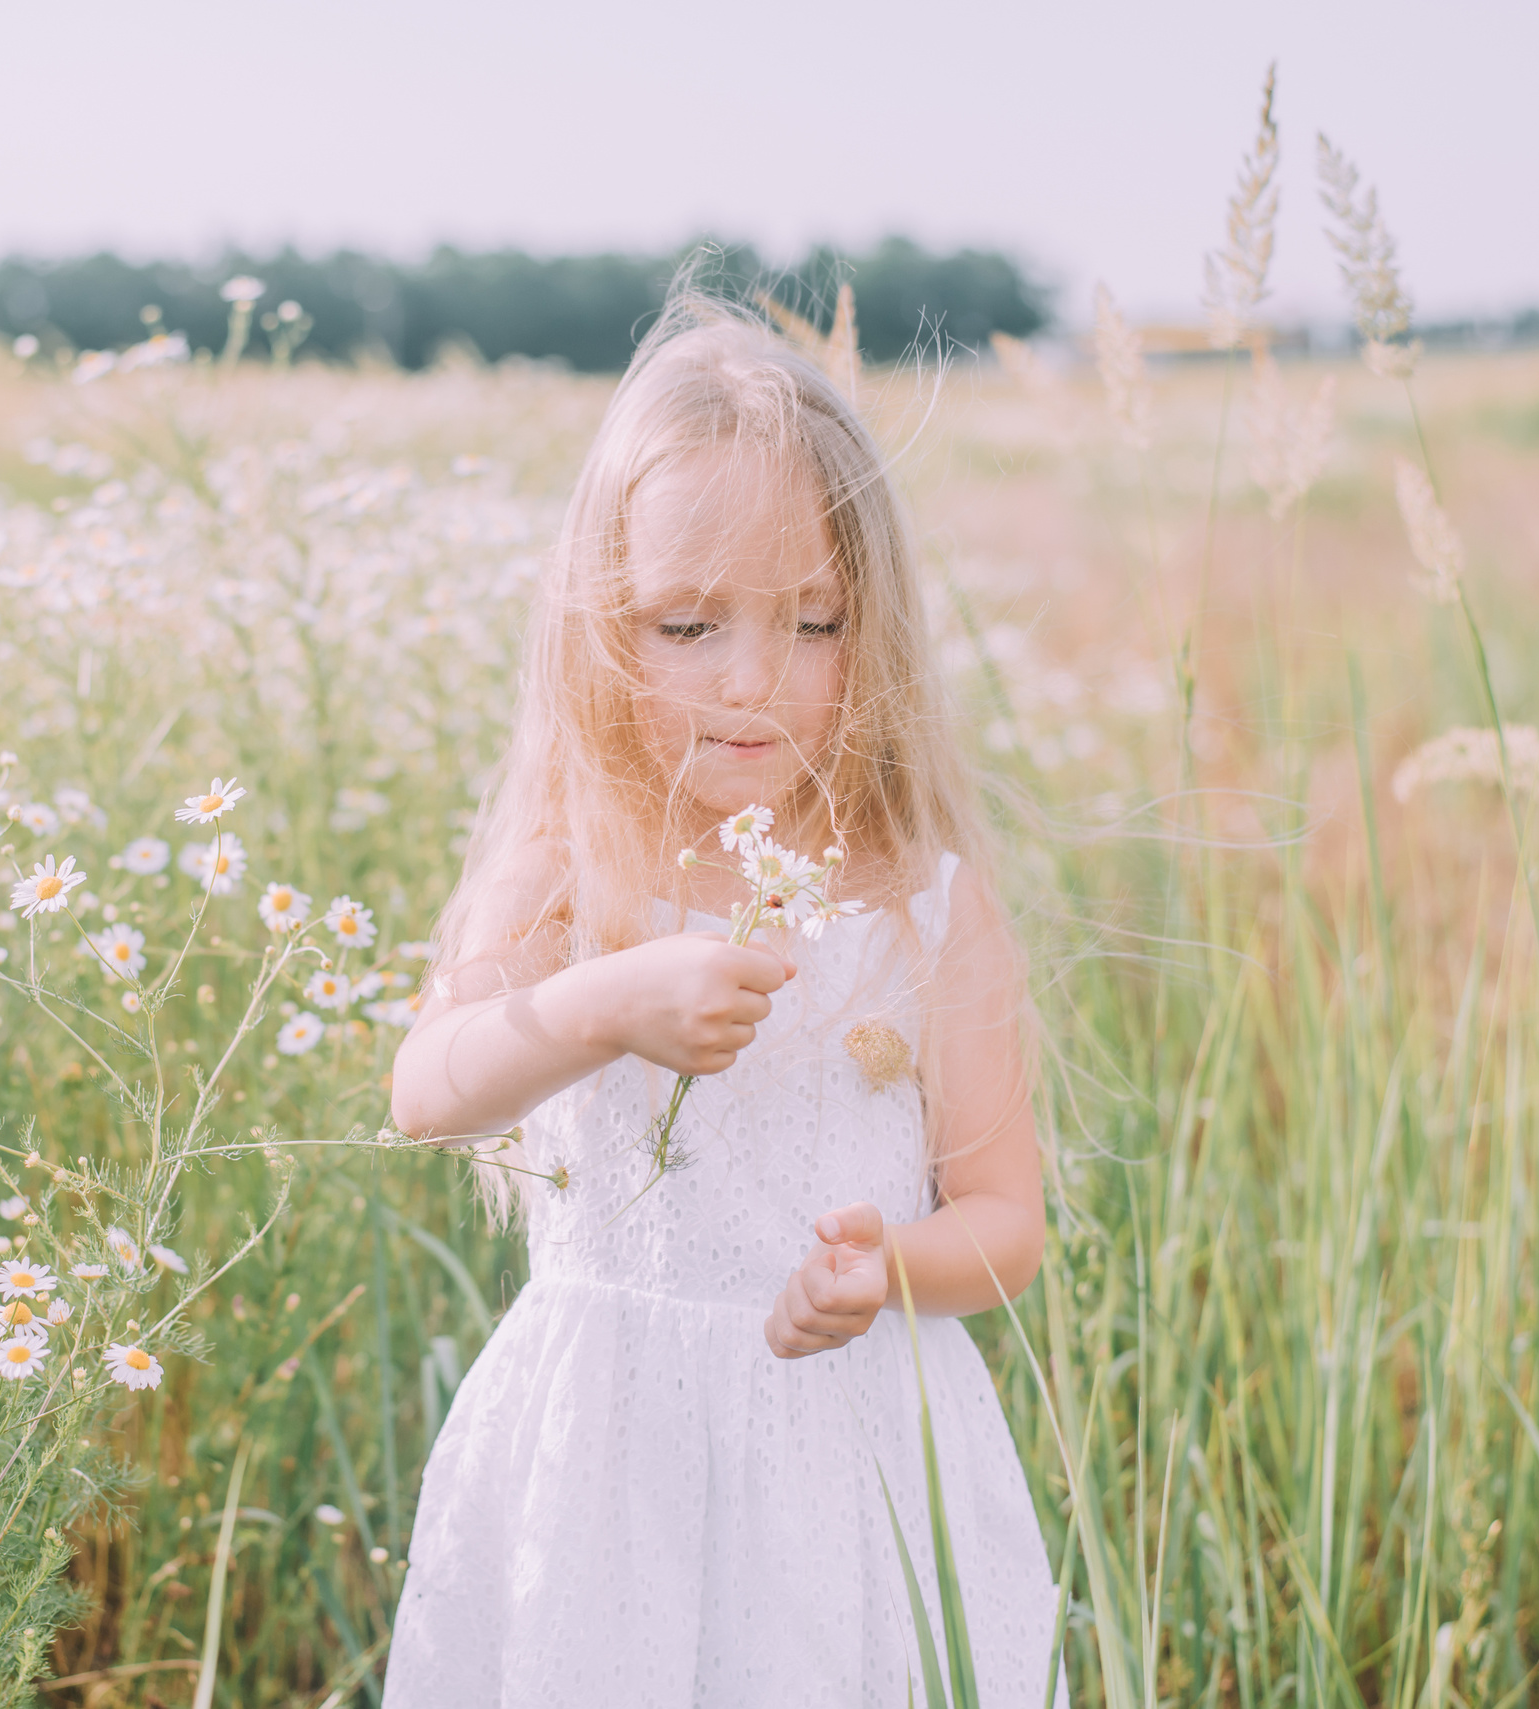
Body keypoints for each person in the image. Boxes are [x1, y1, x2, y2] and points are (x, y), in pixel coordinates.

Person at [381, 289, 1065, 1705]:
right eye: (688, 625)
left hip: (853, 1466)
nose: (753, 681)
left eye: (814, 624)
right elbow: (427, 1089)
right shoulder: (572, 865)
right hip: (605, 1463)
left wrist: (888, 1270)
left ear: (875, 630)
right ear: (601, 626)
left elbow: (1006, 1221)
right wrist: (605, 1000)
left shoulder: (922, 901)